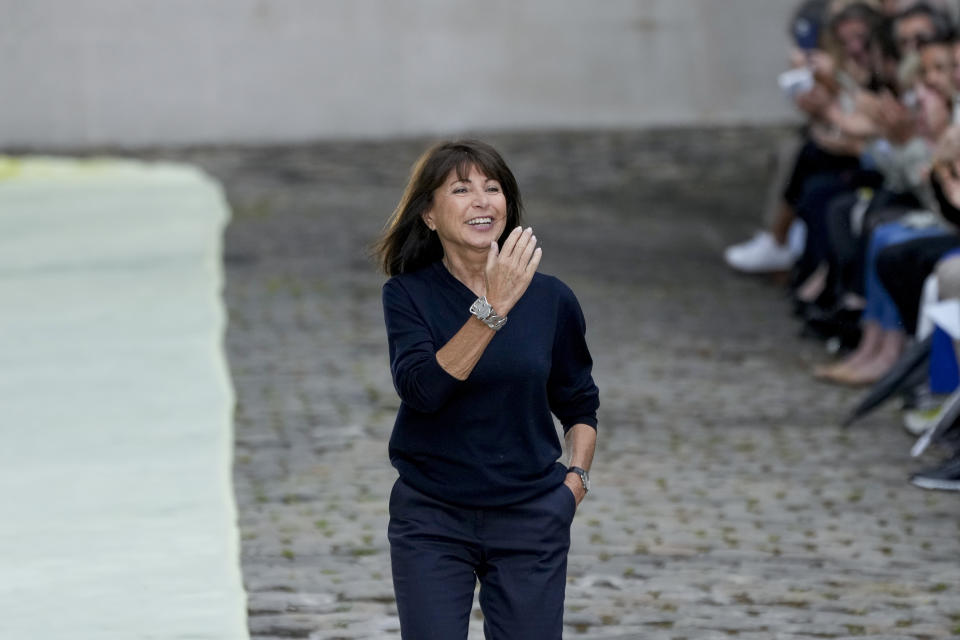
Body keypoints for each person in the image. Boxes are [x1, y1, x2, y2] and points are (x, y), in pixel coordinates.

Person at [375, 139, 600, 639]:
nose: (482, 200)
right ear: (430, 215)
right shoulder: (408, 295)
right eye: (461, 188)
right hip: (432, 517)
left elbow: (580, 401)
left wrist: (574, 484)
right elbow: (422, 391)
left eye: (492, 188)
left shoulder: (552, 299)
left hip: (530, 516)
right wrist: (492, 308)